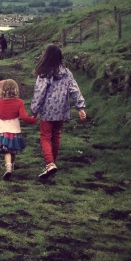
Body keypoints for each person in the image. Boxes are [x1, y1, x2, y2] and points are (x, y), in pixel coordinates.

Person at [30, 44, 87, 179]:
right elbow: (75, 89)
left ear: (46, 57)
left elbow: (39, 93)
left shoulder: (44, 73)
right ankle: (52, 163)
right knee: (56, 135)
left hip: (48, 110)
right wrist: (81, 107)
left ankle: (49, 164)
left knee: (45, 136)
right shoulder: (67, 73)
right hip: (61, 110)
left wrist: (34, 110)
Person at [0, 79, 37, 180]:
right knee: (12, 149)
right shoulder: (19, 102)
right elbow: (24, 117)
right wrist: (33, 120)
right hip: (14, 130)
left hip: (3, 130)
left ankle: (8, 167)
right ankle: (11, 166)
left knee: (6, 150)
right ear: (15, 90)